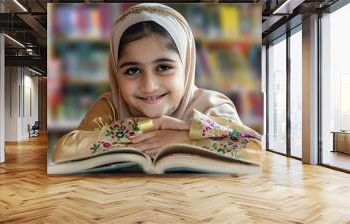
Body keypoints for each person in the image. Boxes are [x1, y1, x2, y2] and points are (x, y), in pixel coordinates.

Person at [52, 3, 262, 165]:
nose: (149, 86)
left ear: (186, 65)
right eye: (132, 70)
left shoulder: (211, 104)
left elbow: (252, 149)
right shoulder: (111, 105)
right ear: (116, 72)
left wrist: (185, 136)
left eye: (163, 67)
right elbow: (64, 150)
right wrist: (154, 125)